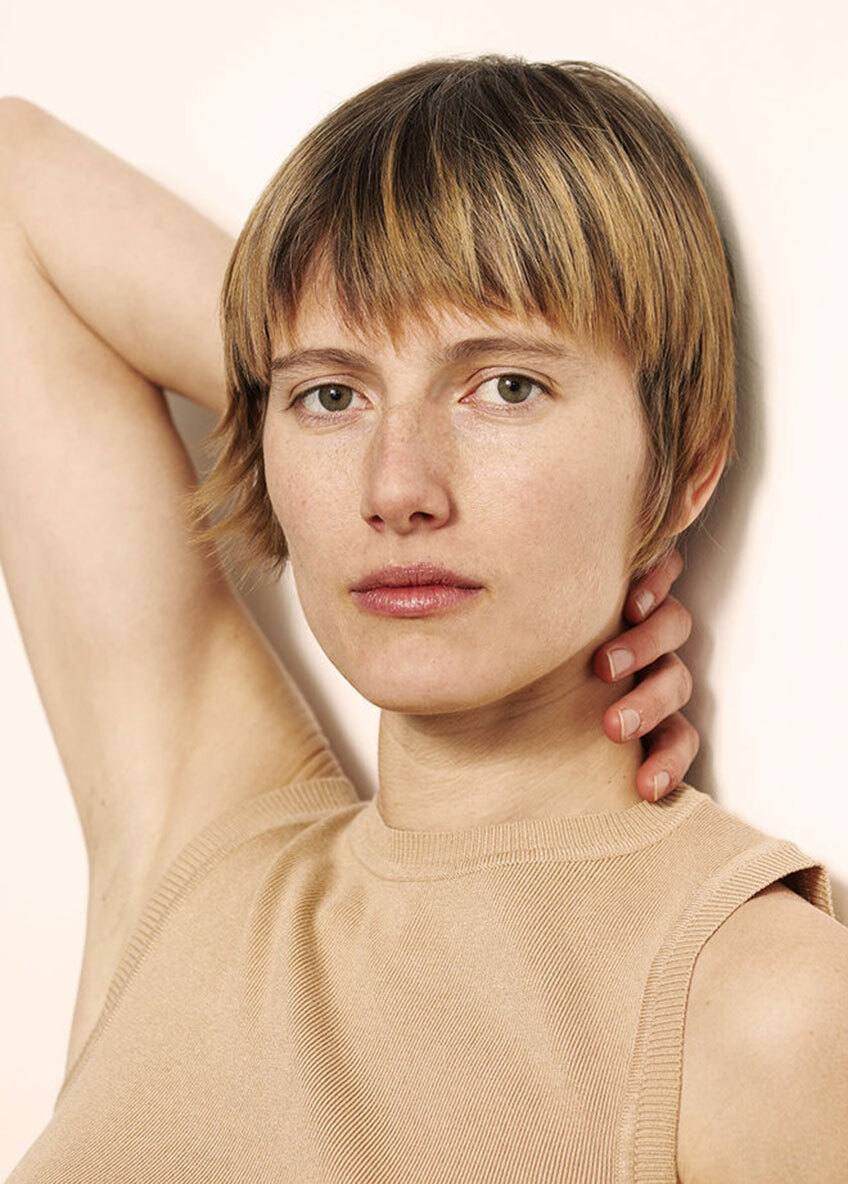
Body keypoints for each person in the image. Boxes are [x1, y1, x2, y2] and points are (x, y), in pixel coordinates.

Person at [1, 55, 845, 1184]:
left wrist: (609, 504)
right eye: (330, 396)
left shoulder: (763, 1003)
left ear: (687, 465)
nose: (394, 487)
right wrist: (295, 368)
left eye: (507, 387)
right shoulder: (202, 865)